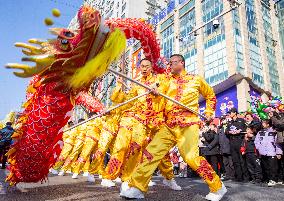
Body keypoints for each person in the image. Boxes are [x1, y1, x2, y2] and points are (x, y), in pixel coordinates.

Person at [121, 54, 226, 201]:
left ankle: (217, 186)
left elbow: (210, 95)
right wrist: (155, 92)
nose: (169, 65)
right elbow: (157, 94)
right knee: (151, 152)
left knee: (191, 158)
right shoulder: (165, 80)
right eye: (169, 63)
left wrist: (209, 112)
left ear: (181, 63)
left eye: (173, 62)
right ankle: (137, 187)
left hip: (188, 123)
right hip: (169, 124)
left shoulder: (196, 79)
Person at [103, 58, 180, 191]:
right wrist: (118, 91)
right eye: (142, 66)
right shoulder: (136, 84)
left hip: (156, 121)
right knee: (131, 148)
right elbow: (127, 101)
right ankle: (124, 178)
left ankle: (169, 178)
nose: (144, 68)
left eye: (147, 66)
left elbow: (167, 89)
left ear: (151, 67)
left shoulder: (159, 79)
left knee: (161, 153)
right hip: (138, 120)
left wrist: (157, 91)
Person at [254, 119, 283, 186]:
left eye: (264, 123)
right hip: (263, 153)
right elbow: (256, 141)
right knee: (265, 167)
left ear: (268, 124)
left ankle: (273, 180)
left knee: (273, 167)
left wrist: (279, 152)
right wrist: (259, 148)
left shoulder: (274, 132)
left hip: (272, 153)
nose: (262, 124)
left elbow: (277, 143)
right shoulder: (260, 132)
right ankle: (268, 179)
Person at [225, 108, 249, 182]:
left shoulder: (241, 120)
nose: (230, 114)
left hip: (240, 141)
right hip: (232, 142)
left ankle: (246, 177)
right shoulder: (229, 122)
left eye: (231, 112)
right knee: (235, 160)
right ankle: (239, 177)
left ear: (235, 113)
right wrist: (230, 132)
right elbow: (226, 132)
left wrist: (239, 131)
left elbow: (245, 129)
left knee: (242, 160)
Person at [218, 116, 234, 181]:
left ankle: (233, 176)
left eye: (224, 119)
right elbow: (219, 139)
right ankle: (227, 175)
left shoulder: (229, 127)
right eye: (222, 120)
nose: (223, 121)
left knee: (231, 163)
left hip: (229, 147)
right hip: (222, 148)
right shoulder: (220, 128)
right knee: (225, 163)